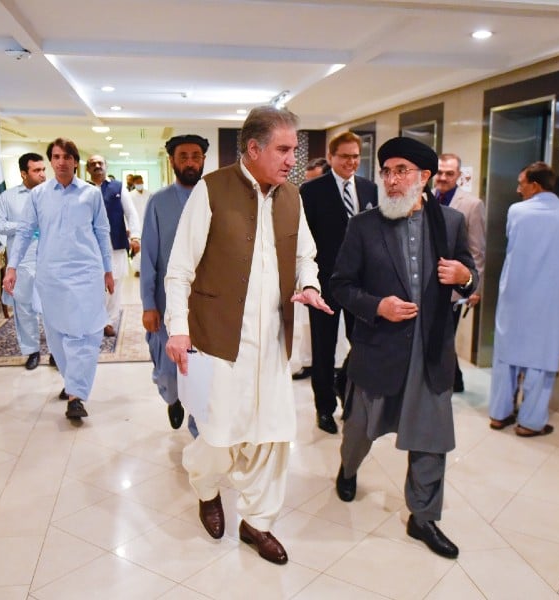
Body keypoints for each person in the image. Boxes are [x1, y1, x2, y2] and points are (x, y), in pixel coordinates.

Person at [163, 106, 332, 565]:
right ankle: (205, 486)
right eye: (283, 149)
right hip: (221, 342)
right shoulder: (212, 190)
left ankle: (258, 522)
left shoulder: (292, 197)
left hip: (274, 342)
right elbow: (179, 270)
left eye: (294, 149)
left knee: (272, 437)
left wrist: (310, 285)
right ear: (253, 149)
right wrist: (178, 329)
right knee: (220, 436)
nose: (290, 158)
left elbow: (306, 257)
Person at [330, 136, 478, 560]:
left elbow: (471, 275)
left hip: (431, 352)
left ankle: (424, 517)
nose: (391, 181)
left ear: (424, 177)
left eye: (401, 172)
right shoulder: (364, 225)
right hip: (379, 350)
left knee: (431, 437)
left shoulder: (449, 223)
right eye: (387, 171)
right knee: (359, 429)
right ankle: (348, 466)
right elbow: (340, 285)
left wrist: (464, 277)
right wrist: (378, 306)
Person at [3, 138, 113, 420]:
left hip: (86, 274)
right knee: (57, 336)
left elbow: (102, 233)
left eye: (67, 156)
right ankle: (72, 380)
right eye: (56, 156)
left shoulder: (90, 194)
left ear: (76, 161)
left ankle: (76, 396)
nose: (61, 161)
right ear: (51, 162)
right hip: (50, 275)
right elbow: (25, 233)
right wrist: (12, 267)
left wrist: (108, 270)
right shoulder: (38, 196)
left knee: (86, 333)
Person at [489, 161, 559, 437]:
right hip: (551, 298)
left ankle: (499, 415)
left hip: (515, 294)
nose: (517, 189)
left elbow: (514, 240)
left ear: (535, 185)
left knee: (507, 355)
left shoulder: (517, 211)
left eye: (521, 183)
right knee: (541, 358)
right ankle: (529, 423)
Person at [300, 132, 378, 434]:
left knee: (362, 343)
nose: (351, 162)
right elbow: (304, 239)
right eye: (345, 156)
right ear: (331, 157)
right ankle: (324, 408)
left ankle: (348, 391)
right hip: (325, 281)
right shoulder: (312, 191)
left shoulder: (370, 189)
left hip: (361, 284)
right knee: (324, 347)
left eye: (356, 156)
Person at [140, 134, 209, 436]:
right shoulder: (159, 202)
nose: (191, 162)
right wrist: (148, 305)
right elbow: (149, 257)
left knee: (202, 370)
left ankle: (198, 425)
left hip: (206, 303)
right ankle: (173, 399)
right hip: (167, 302)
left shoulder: (215, 198)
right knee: (168, 370)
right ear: (172, 161)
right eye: (184, 157)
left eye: (196, 156)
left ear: (203, 159)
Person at [433, 152, 486, 392]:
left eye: (449, 174)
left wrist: (474, 287)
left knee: (444, 336)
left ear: (459, 175)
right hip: (429, 283)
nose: (443, 178)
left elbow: (477, 250)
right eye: (440, 172)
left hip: (455, 285)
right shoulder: (427, 197)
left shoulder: (471, 205)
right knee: (439, 336)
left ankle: (447, 382)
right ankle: (454, 380)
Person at [0, 153, 47, 370]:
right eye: (36, 170)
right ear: (24, 173)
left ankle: (56, 351)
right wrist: (22, 227)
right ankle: (32, 351)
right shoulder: (8, 197)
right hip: (22, 263)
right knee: (25, 309)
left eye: (43, 170)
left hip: (49, 261)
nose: (42, 174)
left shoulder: (53, 195)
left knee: (52, 308)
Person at [87, 155, 141, 337]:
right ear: (87, 169)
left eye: (100, 163)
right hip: (89, 247)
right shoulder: (82, 189)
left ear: (106, 166)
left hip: (115, 243)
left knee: (114, 284)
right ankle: (94, 320)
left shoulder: (117, 187)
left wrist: (135, 237)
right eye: (92, 164)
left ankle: (108, 321)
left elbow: (131, 214)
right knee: (93, 284)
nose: (97, 166)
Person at [289, 157, 331, 380]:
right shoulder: (300, 196)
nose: (309, 186)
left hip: (331, 271)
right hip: (307, 272)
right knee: (307, 327)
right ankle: (308, 362)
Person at [129, 174, 151, 275]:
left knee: (148, 247)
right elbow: (128, 212)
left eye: (141, 181)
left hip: (148, 223)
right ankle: (137, 269)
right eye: (137, 182)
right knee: (137, 247)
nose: (140, 184)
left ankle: (147, 268)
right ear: (134, 183)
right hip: (135, 225)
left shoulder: (149, 194)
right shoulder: (130, 195)